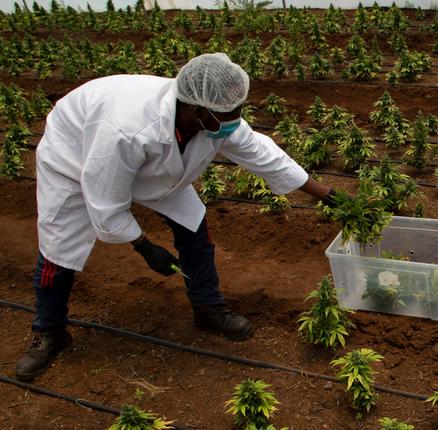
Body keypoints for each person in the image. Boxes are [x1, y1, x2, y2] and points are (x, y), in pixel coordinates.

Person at [16, 53, 338, 381]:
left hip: (148, 164)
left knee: (195, 228)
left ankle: (208, 308)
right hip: (76, 155)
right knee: (58, 251)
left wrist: (328, 195)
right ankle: (49, 331)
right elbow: (106, 201)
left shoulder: (212, 117)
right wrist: (143, 246)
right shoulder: (128, 129)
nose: (235, 121)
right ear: (198, 111)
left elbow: (264, 154)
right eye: (230, 115)